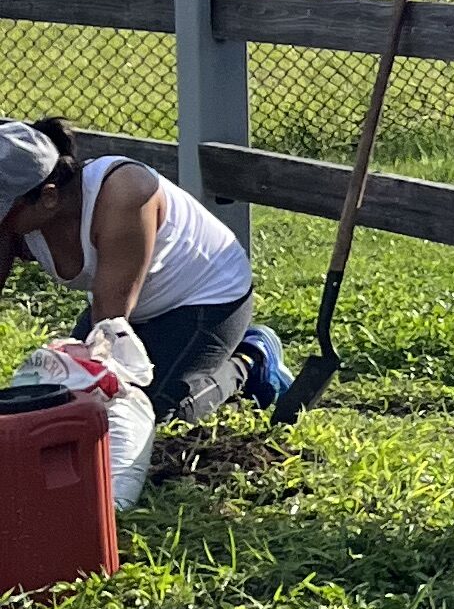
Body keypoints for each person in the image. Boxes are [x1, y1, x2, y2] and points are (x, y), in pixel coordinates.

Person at [0, 116, 290, 417]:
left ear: (48, 196)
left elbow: (109, 326)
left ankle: (251, 359)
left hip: (207, 299)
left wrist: (92, 382)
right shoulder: (17, 219)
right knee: (59, 399)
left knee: (145, 410)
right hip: (134, 304)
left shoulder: (124, 194)